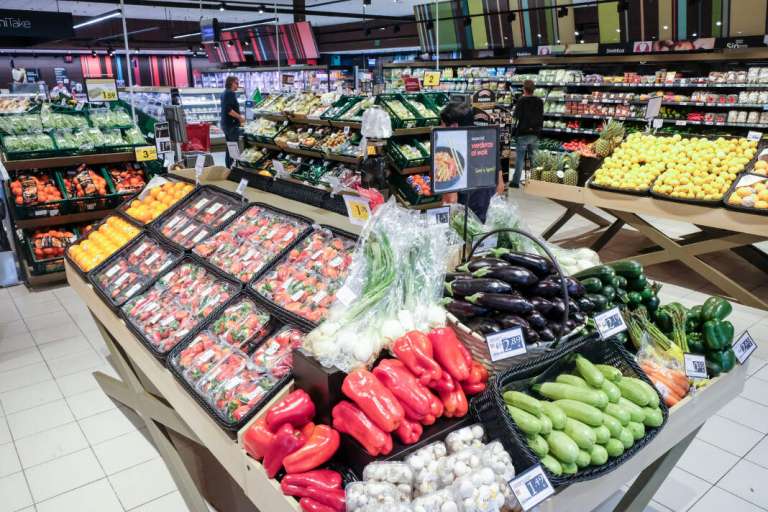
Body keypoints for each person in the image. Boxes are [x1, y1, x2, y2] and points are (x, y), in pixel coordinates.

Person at [439, 101, 505, 223]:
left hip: (464, 222)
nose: (440, 128)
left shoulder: (449, 151)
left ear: (454, 126)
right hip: (487, 215)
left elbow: (450, 199)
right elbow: (500, 186)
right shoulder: (487, 142)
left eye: (442, 124)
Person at [511, 79, 544, 188]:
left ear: (524, 89)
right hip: (535, 133)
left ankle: (515, 182)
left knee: (520, 159)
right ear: (533, 90)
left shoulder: (521, 101)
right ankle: (536, 181)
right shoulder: (539, 101)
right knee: (534, 158)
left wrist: (513, 131)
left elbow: (516, 118)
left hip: (523, 133)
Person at [220, 76, 245, 168]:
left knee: (229, 146)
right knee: (233, 146)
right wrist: (240, 118)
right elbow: (229, 110)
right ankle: (233, 168)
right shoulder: (230, 93)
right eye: (236, 83)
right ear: (231, 83)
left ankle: (228, 167)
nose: (237, 86)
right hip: (231, 125)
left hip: (226, 124)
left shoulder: (224, 93)